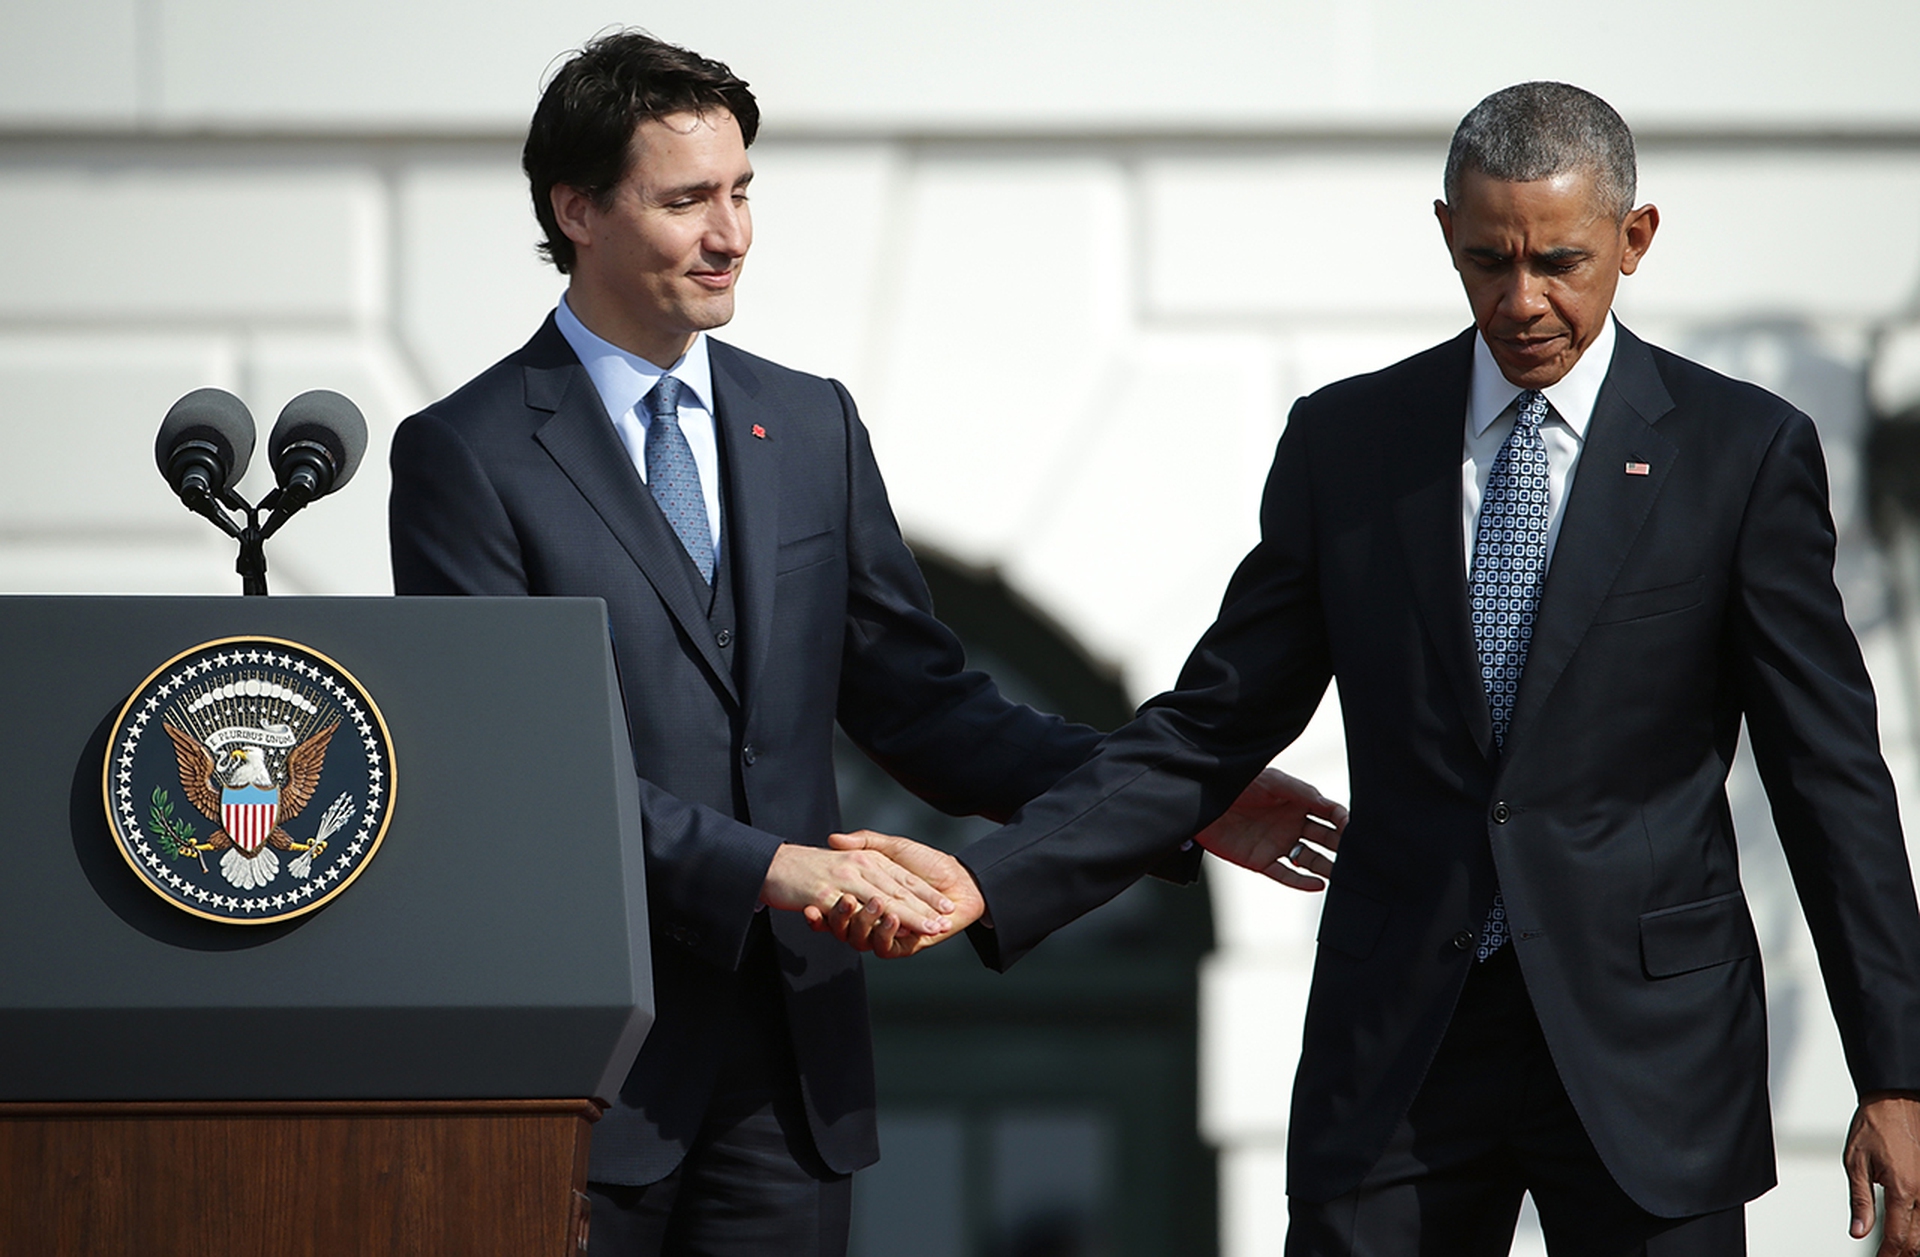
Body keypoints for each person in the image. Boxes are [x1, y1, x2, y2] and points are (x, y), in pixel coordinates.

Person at [839, 82, 1920, 1255]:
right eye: (1486, 261)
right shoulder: (1349, 444)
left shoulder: (1742, 451)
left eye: (1559, 261)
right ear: (1446, 232)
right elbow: (1210, 727)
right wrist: (994, 877)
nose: (1523, 301)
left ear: (1634, 238)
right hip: (1400, 1048)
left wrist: (1896, 1074)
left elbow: (1830, 778)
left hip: (1648, 1054)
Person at [387, 30, 1338, 1257]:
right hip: (586, 1078)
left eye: (740, 193)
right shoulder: (467, 455)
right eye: (686, 200)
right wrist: (769, 869)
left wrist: (1168, 798)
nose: (730, 234)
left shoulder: (809, 422)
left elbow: (928, 709)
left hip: (793, 1080)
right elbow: (508, 775)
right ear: (577, 210)